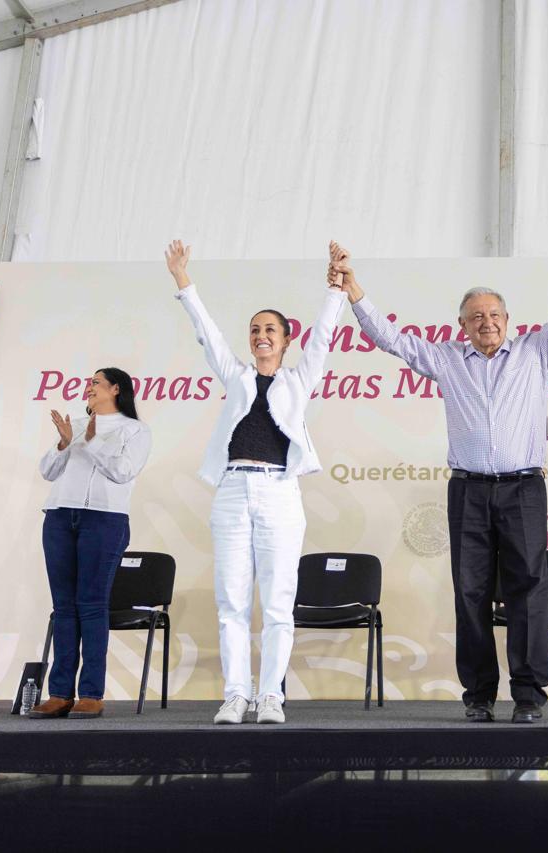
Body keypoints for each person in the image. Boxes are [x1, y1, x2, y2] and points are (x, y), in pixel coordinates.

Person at [327, 222, 548, 725]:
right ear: (461, 324)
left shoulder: (535, 353)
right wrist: (354, 291)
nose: (486, 322)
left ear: (508, 320)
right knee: (471, 591)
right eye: (476, 316)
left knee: (528, 588)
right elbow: (389, 338)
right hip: (469, 492)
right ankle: (478, 694)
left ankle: (528, 695)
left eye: (494, 314)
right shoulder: (446, 360)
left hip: (523, 488)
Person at [166, 239, 346, 725]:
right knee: (231, 599)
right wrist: (184, 280)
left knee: (277, 603)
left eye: (270, 330)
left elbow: (325, 338)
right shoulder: (237, 376)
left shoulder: (297, 381)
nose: (260, 335)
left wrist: (335, 289)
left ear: (286, 340)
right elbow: (207, 335)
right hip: (231, 491)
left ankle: (271, 696)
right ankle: (235, 694)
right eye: (254, 330)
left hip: (279, 493)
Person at [30, 368, 151, 719]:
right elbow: (48, 472)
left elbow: (123, 471)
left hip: (104, 519)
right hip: (59, 516)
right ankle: (60, 692)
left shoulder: (136, 430)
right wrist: (65, 443)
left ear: (116, 389)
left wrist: (91, 443)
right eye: (89, 383)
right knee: (64, 606)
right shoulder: (77, 427)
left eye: (96, 382)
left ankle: (91, 693)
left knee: (93, 605)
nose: (89, 387)